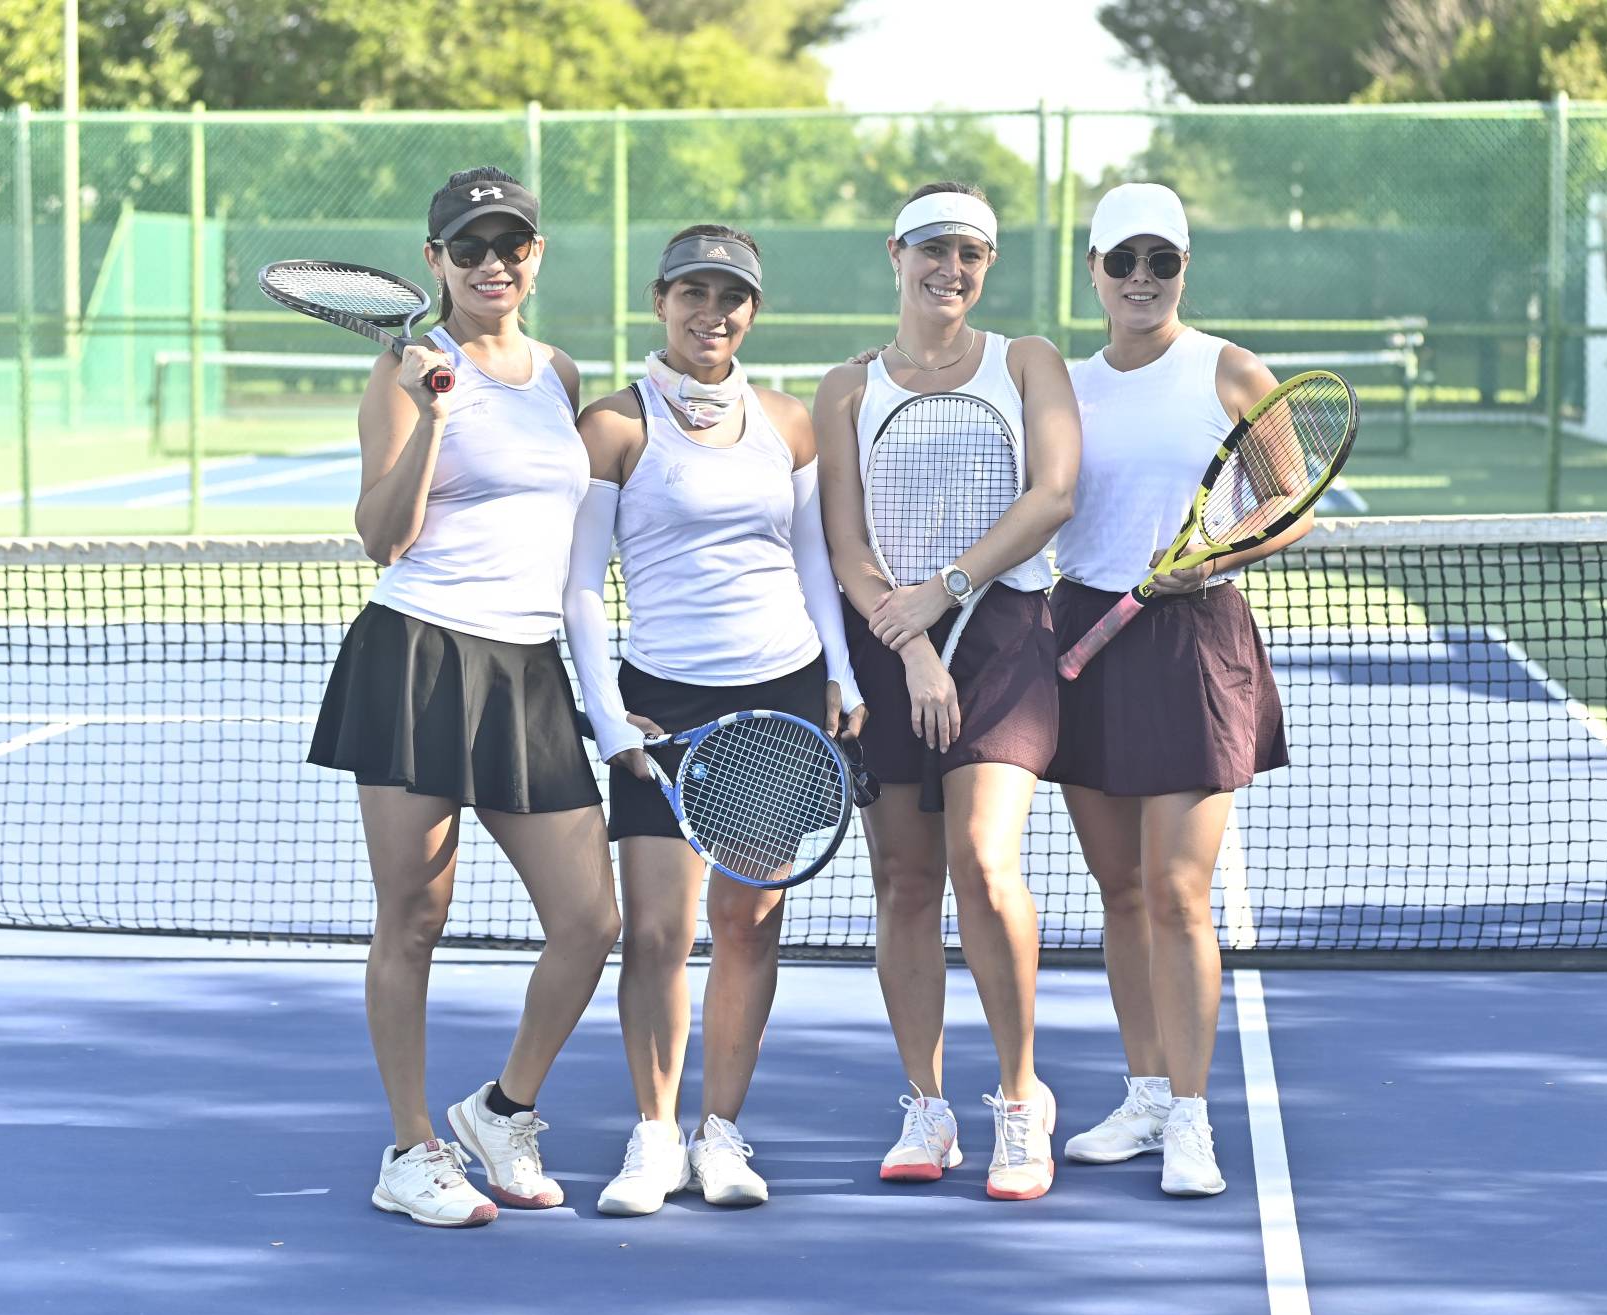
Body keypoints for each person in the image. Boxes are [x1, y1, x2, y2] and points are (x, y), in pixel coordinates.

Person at [307, 167, 621, 1227]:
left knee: (589, 920)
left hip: (527, 668)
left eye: (512, 245)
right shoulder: (402, 372)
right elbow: (381, 536)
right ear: (435, 260)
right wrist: (434, 413)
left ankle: (501, 1108)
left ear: (535, 256)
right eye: (470, 247)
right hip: (418, 656)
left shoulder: (559, 374)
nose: (494, 263)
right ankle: (410, 1149)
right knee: (414, 916)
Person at [568, 225, 868, 1217]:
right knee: (656, 931)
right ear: (659, 301)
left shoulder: (787, 422)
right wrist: (609, 717)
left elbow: (815, 560)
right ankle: (654, 1135)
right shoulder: (614, 425)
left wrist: (839, 674)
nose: (711, 313)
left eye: (730, 296)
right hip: (662, 705)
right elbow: (579, 587)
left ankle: (720, 1131)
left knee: (747, 921)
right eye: (692, 293)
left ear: (752, 310)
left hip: (779, 695)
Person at [813, 183, 1080, 1201]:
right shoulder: (846, 387)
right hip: (889, 639)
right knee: (904, 881)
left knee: (983, 860)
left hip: (1004, 632)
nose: (950, 270)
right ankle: (925, 1102)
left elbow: (1052, 495)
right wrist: (913, 639)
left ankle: (1018, 1097)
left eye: (969, 253)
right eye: (932, 249)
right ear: (896, 254)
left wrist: (947, 591)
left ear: (986, 265)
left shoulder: (1027, 361)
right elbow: (846, 542)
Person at [1048, 182, 1300, 1197]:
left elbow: (1289, 503)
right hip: (1085, 634)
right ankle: (1146, 1093)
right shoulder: (1062, 385)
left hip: (1195, 640)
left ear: (1183, 268)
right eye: (1123, 261)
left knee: (1177, 892)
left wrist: (1213, 556)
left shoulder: (1229, 371)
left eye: (1160, 260)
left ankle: (1191, 1116)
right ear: (1094, 270)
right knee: (1119, 891)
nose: (1141, 279)